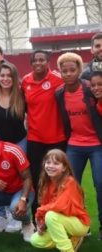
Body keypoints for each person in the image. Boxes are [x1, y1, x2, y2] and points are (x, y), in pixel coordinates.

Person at [55, 52, 102, 239]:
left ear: (79, 70)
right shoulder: (59, 94)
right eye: (64, 70)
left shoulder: (91, 89)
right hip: (74, 145)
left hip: (97, 144)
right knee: (71, 187)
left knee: (100, 184)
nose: (68, 74)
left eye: (72, 70)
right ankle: (81, 226)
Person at [21, 50, 66, 215]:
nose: (38, 63)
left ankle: (60, 212)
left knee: (58, 178)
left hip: (57, 138)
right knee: (36, 176)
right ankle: (37, 213)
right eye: (35, 60)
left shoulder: (58, 79)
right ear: (31, 63)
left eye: (42, 60)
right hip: (35, 139)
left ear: (48, 62)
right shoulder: (25, 81)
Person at [0, 62, 26, 233]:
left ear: (14, 78)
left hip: (19, 142)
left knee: (18, 179)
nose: (5, 79)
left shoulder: (22, 96)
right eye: (2, 75)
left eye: (9, 76)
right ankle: (1, 215)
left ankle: (16, 214)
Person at [30, 149, 90, 252]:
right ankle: (70, 239)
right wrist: (41, 224)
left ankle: (67, 249)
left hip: (79, 223)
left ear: (64, 168)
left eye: (56, 163)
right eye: (48, 162)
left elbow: (59, 206)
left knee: (51, 216)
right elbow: (46, 205)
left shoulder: (69, 182)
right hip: (60, 220)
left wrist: (39, 212)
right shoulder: (46, 183)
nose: (50, 166)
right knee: (35, 240)